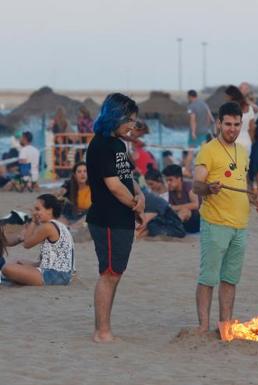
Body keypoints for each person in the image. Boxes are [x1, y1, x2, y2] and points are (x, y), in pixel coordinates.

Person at [192, 101, 258, 333]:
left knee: (230, 279)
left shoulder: (243, 152)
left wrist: (256, 200)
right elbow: (196, 185)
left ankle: (226, 327)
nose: (232, 129)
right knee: (208, 278)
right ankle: (203, 327)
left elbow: (242, 184)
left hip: (240, 225)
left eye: (236, 124)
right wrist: (208, 188)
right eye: (228, 124)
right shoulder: (208, 150)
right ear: (219, 123)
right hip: (215, 223)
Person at [86, 93, 146, 343]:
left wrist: (140, 194)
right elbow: (113, 185)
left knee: (115, 273)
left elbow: (125, 178)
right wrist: (136, 206)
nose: (133, 125)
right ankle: (102, 332)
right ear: (116, 117)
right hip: (108, 218)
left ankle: (105, 327)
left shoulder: (118, 145)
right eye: (130, 120)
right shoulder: (101, 144)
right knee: (108, 273)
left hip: (121, 218)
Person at [0, 194, 74, 286]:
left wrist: (33, 222)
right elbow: (53, 258)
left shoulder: (47, 227)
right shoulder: (59, 225)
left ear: (49, 210)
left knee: (7, 269)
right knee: (17, 261)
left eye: (37, 209)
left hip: (54, 276)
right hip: (61, 274)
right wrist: (33, 264)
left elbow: (26, 244)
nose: (34, 213)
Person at [162, 164, 200, 234]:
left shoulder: (189, 186)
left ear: (179, 178)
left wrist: (175, 207)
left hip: (196, 221)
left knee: (185, 211)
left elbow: (196, 204)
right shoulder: (171, 190)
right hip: (183, 222)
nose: (168, 183)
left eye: (170, 180)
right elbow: (171, 209)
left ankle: (174, 229)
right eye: (167, 180)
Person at [225, 85, 255, 152]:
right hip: (247, 142)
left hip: (232, 142)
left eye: (226, 96)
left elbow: (224, 128)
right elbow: (252, 129)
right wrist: (252, 142)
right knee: (245, 162)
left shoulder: (228, 109)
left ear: (231, 96)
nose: (225, 98)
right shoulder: (249, 108)